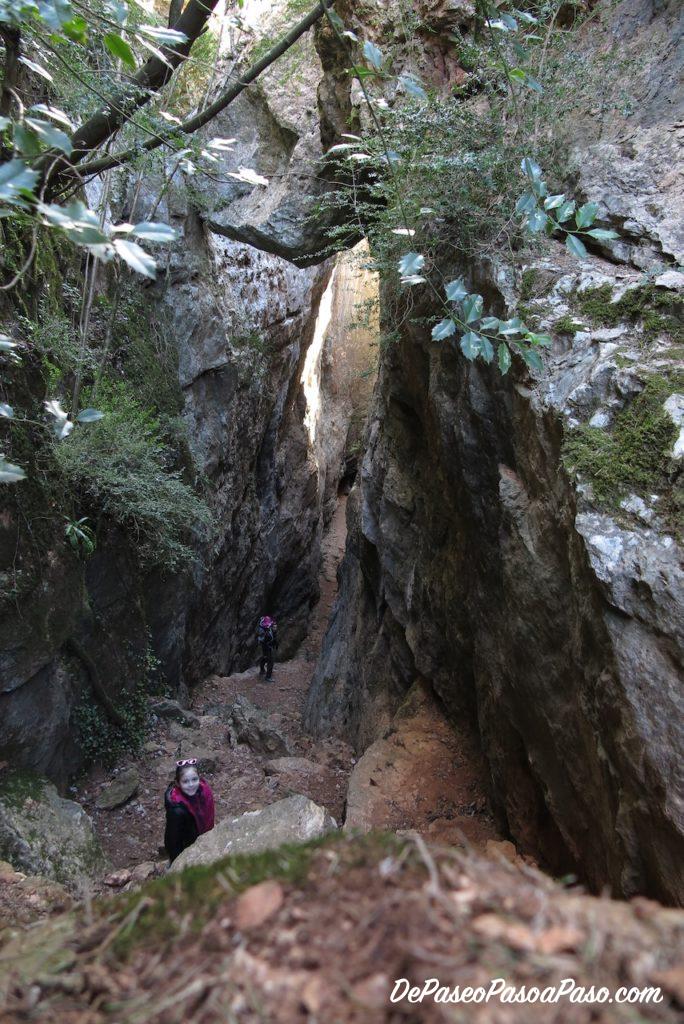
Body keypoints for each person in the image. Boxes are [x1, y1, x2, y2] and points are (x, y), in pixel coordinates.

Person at [164, 758, 215, 864]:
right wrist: (178, 864)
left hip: (201, 840)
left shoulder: (204, 791)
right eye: (185, 781)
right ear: (178, 783)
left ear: (199, 779)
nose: (191, 784)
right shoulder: (176, 811)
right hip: (187, 849)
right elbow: (172, 841)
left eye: (194, 779)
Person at [257, 615, 278, 681]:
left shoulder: (268, 630)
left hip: (266, 646)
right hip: (267, 647)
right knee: (270, 661)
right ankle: (268, 677)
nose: (275, 628)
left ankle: (262, 670)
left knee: (265, 658)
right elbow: (265, 642)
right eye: (274, 627)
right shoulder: (267, 633)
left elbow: (273, 638)